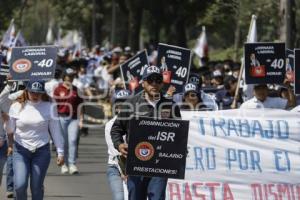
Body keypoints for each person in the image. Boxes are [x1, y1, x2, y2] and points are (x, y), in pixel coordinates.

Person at [111, 65, 181, 200]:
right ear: (143, 83)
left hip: (160, 165)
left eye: (158, 80)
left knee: (157, 197)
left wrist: (180, 148)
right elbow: (116, 129)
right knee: (136, 196)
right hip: (136, 163)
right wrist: (119, 145)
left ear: (162, 82)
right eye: (150, 80)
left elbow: (177, 133)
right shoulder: (131, 103)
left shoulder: (170, 106)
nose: (154, 84)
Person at [5, 80, 64, 200]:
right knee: (20, 185)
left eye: (39, 93)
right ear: (27, 90)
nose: (35, 95)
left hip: (41, 150)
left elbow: (55, 129)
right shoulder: (16, 106)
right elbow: (10, 130)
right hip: (21, 150)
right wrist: (7, 124)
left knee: (36, 187)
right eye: (33, 92)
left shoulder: (50, 106)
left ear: (43, 93)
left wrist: (60, 152)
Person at [54, 71, 83, 174]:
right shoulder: (58, 89)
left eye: (71, 77)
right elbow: (54, 105)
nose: (69, 79)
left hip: (73, 118)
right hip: (61, 118)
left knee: (73, 140)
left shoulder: (76, 90)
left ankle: (72, 164)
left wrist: (81, 119)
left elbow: (80, 106)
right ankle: (64, 164)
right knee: (63, 142)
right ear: (64, 78)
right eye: (67, 77)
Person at [105, 89, 131, 200]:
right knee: (120, 197)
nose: (123, 106)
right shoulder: (110, 125)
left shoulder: (138, 121)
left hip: (137, 168)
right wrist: (124, 172)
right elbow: (116, 151)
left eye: (126, 103)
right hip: (116, 167)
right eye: (120, 104)